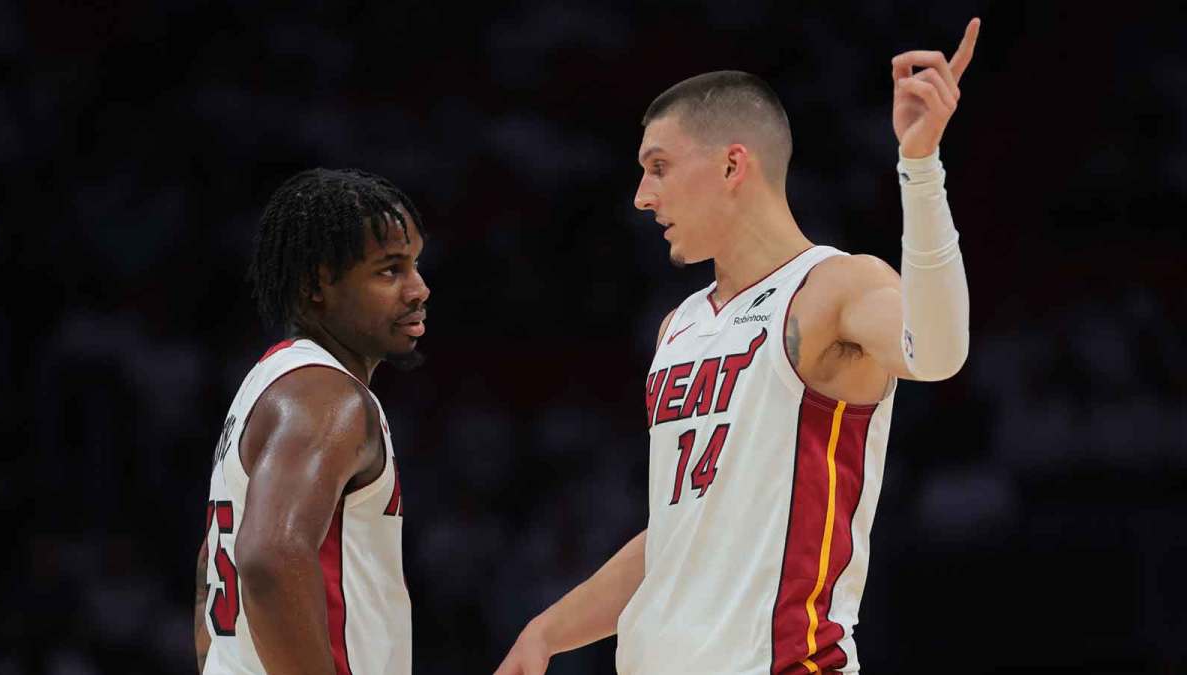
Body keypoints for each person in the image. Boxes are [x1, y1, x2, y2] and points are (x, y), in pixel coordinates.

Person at [495, 19, 980, 675]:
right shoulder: (679, 326)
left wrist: (920, 166)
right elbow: (681, 536)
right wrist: (546, 631)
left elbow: (939, 351)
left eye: (659, 168)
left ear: (731, 164)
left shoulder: (832, 288)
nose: (642, 197)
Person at [193, 168, 429, 674]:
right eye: (390, 270)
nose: (419, 289)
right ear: (316, 285)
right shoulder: (327, 398)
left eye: (415, 265)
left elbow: (207, 580)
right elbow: (268, 558)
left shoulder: (271, 381)